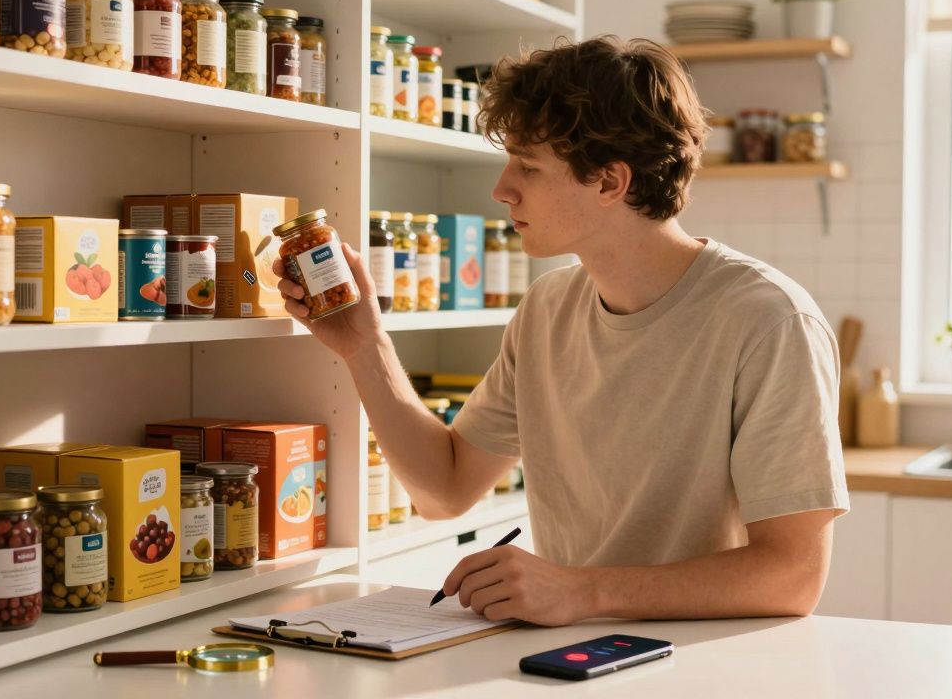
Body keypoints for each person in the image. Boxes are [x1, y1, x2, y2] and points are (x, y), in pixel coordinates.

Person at [274, 36, 848, 627]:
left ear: (608, 183)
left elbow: (793, 575)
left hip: (703, 667)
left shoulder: (769, 320)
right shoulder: (547, 308)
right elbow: (444, 490)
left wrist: (581, 591)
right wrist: (365, 344)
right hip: (567, 658)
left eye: (528, 165)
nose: (501, 189)